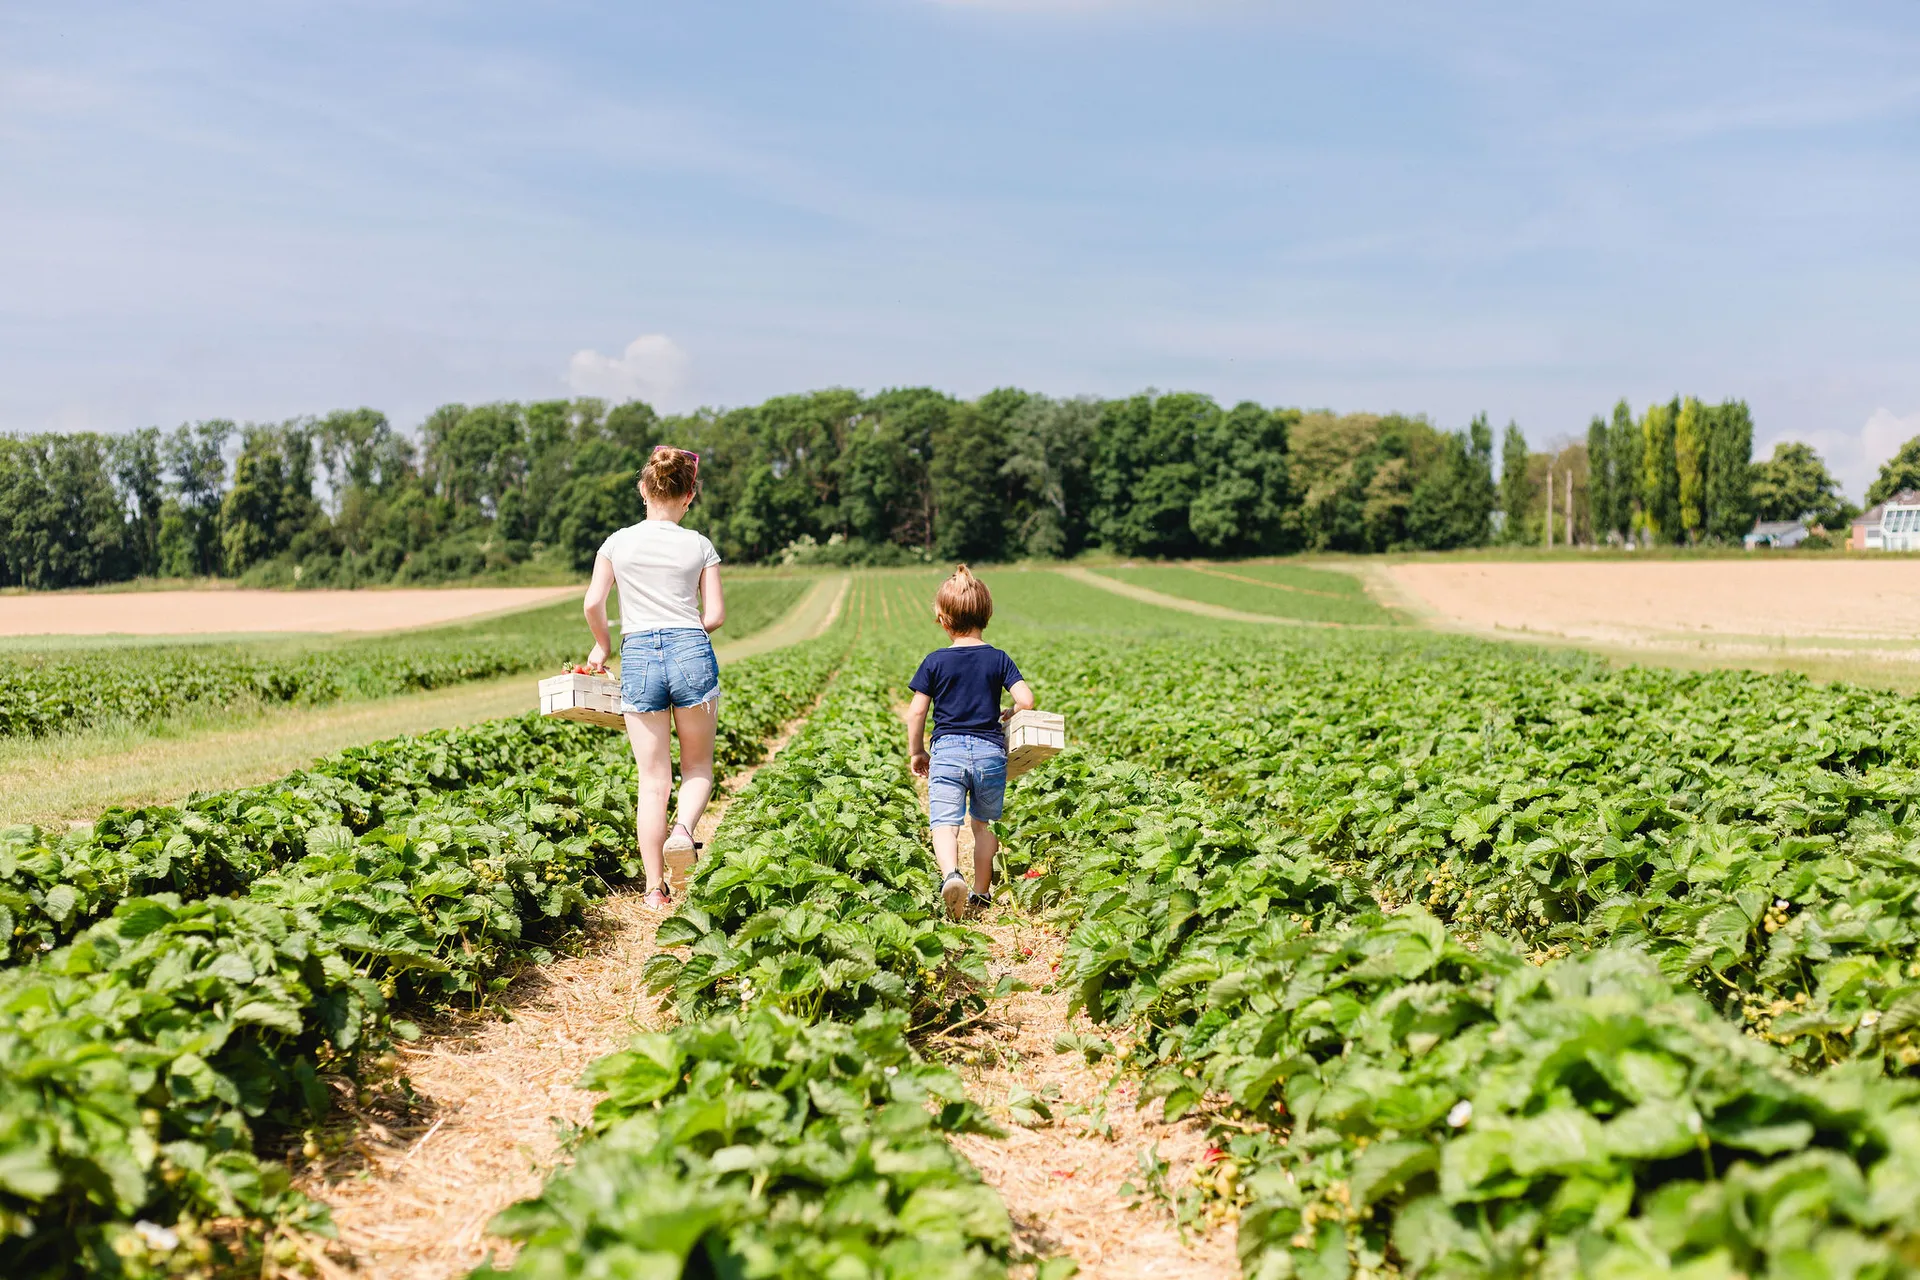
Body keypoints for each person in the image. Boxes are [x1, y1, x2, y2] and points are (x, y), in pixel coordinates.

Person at [581, 446, 725, 911]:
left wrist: (602, 646)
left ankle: (654, 890)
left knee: (651, 779)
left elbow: (592, 602)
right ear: (690, 496)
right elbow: (716, 615)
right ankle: (683, 832)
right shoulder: (699, 544)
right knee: (698, 766)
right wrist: (684, 630)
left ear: (644, 490)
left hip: (639, 652)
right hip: (690, 647)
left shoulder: (617, 542)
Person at [905, 565, 1036, 919]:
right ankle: (981, 892)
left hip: (947, 752)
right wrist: (1009, 712)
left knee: (945, 823)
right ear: (986, 615)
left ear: (943, 620)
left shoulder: (934, 661)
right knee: (982, 825)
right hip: (990, 753)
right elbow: (1027, 699)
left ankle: (951, 875)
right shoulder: (998, 658)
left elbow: (916, 713)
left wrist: (917, 751)